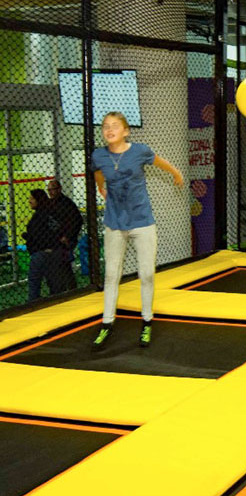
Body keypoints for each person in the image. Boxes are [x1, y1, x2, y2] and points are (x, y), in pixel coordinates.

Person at [91, 111, 184, 350]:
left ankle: (146, 320)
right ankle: (107, 322)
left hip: (142, 221)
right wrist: (102, 187)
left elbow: (160, 162)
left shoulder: (139, 151)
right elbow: (98, 173)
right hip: (114, 222)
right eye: (105, 127)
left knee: (146, 273)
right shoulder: (99, 155)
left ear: (126, 131)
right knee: (112, 274)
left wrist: (176, 173)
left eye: (114, 126)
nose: (109, 130)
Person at [23, 189, 63, 301]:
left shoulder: (39, 216)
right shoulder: (52, 213)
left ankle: (33, 304)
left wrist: (27, 236)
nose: (29, 201)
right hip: (54, 251)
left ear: (38, 200)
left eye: (32, 198)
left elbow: (36, 235)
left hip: (40, 252)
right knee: (54, 283)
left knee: (34, 282)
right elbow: (56, 231)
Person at [47, 179, 83, 291]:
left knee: (63, 264)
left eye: (52, 190)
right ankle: (67, 289)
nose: (50, 192)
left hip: (65, 239)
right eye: (49, 190)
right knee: (62, 266)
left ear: (59, 189)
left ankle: (68, 288)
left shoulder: (67, 204)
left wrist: (68, 236)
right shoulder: (50, 203)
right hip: (56, 239)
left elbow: (78, 221)